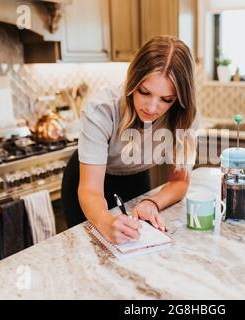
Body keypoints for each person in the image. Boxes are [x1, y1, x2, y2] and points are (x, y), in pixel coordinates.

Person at [62, 35, 199, 245]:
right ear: (133, 80)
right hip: (89, 183)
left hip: (136, 177)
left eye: (166, 99)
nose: (152, 108)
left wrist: (151, 202)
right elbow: (90, 189)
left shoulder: (184, 115)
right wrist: (105, 221)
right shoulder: (102, 109)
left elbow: (179, 181)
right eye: (145, 92)